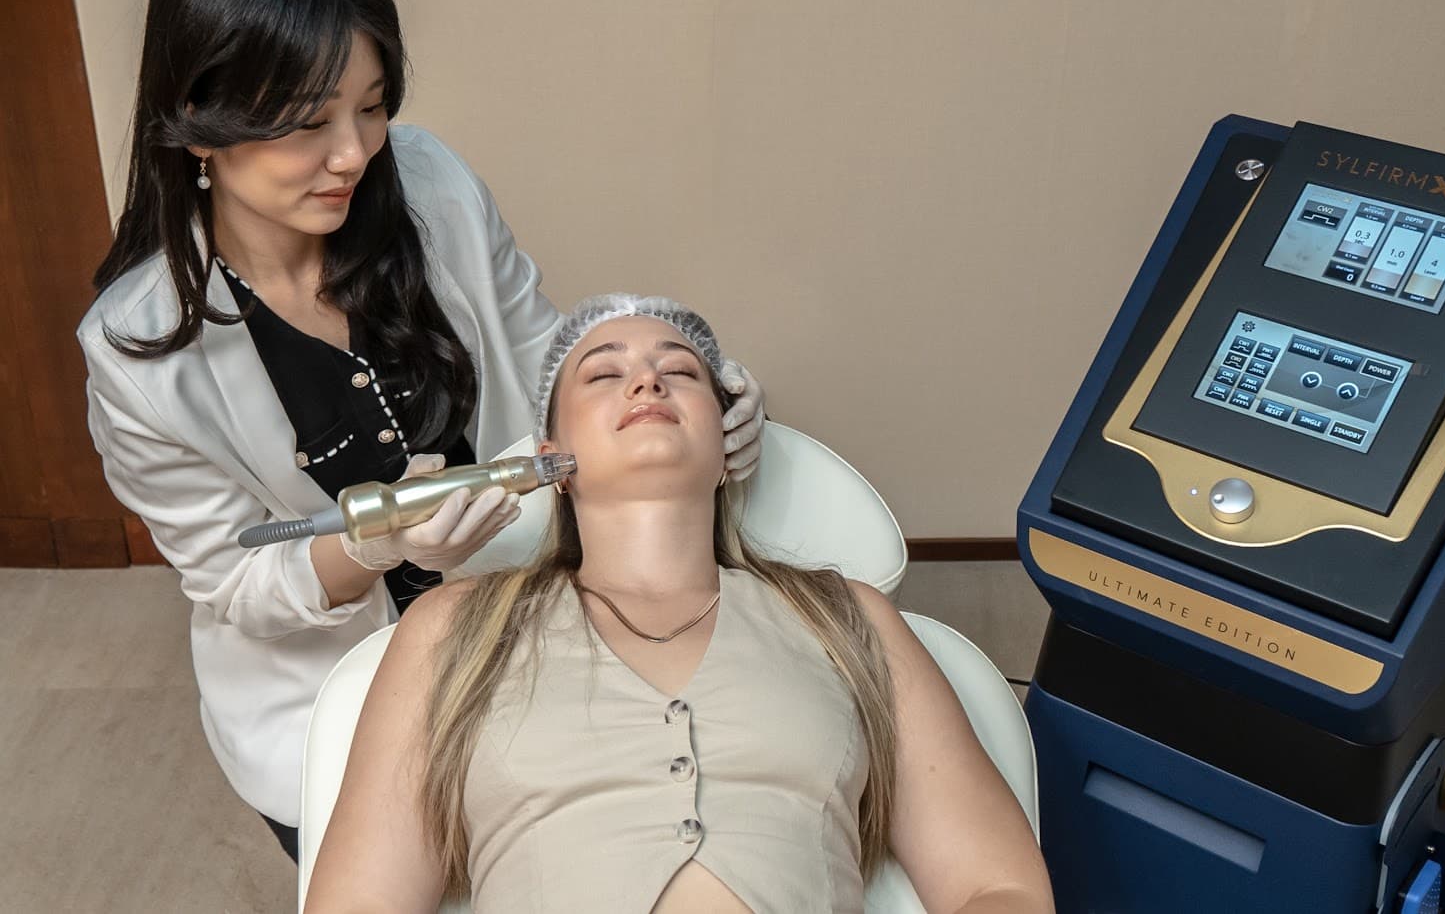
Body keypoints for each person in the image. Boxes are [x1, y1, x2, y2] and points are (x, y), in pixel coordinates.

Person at [77, 0, 767, 862]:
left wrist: (687, 372)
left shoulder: (429, 182)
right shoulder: (137, 350)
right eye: (309, 121)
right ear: (202, 126)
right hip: (332, 686)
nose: (355, 153)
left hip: (520, 619)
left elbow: (545, 359)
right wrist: (374, 547)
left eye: (371, 105)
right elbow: (235, 580)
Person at [306, 296, 1053, 914]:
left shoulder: (851, 620)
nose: (646, 385)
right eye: (603, 375)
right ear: (549, 458)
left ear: (731, 442)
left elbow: (1000, 886)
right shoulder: (452, 632)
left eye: (680, 371)